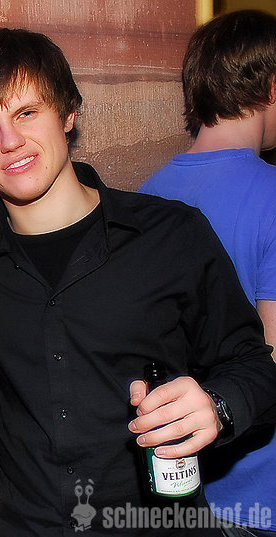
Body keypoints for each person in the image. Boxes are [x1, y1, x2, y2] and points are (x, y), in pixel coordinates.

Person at [0, 27, 276, 536]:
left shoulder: (172, 235)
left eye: (27, 113)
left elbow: (256, 368)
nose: (10, 142)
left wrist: (218, 406)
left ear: (68, 113)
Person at [140, 10, 276, 535]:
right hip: (261, 495)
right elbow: (270, 363)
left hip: (175, 486)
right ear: (271, 86)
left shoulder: (143, 198)